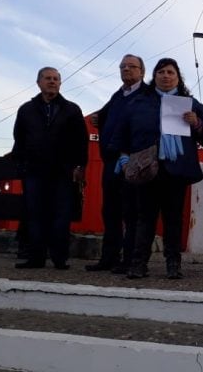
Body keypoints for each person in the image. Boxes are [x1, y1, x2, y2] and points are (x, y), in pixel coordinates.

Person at [109, 58, 203, 279]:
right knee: (144, 218)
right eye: (161, 72)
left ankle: (173, 264)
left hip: (176, 170)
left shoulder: (190, 103)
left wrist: (196, 123)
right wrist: (123, 158)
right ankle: (138, 264)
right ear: (154, 76)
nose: (166, 76)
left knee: (173, 219)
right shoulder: (139, 102)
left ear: (178, 77)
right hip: (146, 169)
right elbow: (122, 132)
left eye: (171, 72)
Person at [12, 67, 88, 270]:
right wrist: (21, 165)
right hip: (35, 171)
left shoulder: (72, 109)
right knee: (35, 216)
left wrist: (80, 166)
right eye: (48, 78)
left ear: (60, 83)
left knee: (61, 217)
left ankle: (59, 259)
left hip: (62, 172)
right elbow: (19, 139)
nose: (52, 82)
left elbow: (81, 140)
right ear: (39, 82)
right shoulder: (26, 109)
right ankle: (35, 258)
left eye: (56, 79)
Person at [85, 54, 148, 274]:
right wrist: (99, 118)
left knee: (131, 213)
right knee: (110, 211)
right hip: (112, 162)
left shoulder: (147, 95)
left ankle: (130, 259)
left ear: (142, 71)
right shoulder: (117, 95)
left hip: (134, 161)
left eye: (132, 66)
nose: (126, 69)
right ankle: (108, 258)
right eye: (122, 66)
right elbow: (106, 117)